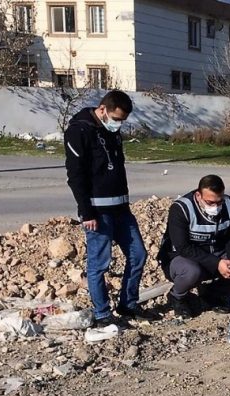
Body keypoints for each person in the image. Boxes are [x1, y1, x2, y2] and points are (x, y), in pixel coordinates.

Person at [64, 89, 156, 327]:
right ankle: (102, 313)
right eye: (116, 119)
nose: (118, 124)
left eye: (122, 120)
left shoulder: (113, 134)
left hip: (121, 209)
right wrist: (87, 211)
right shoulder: (79, 131)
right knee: (99, 263)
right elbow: (75, 175)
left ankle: (128, 304)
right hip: (97, 211)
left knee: (138, 255)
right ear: (102, 109)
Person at [158, 175, 230, 318]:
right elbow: (183, 247)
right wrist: (217, 263)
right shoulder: (181, 209)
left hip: (215, 252)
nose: (215, 207)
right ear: (198, 195)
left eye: (219, 202)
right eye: (210, 202)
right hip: (184, 258)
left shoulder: (229, 204)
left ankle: (211, 293)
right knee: (192, 271)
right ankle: (177, 297)